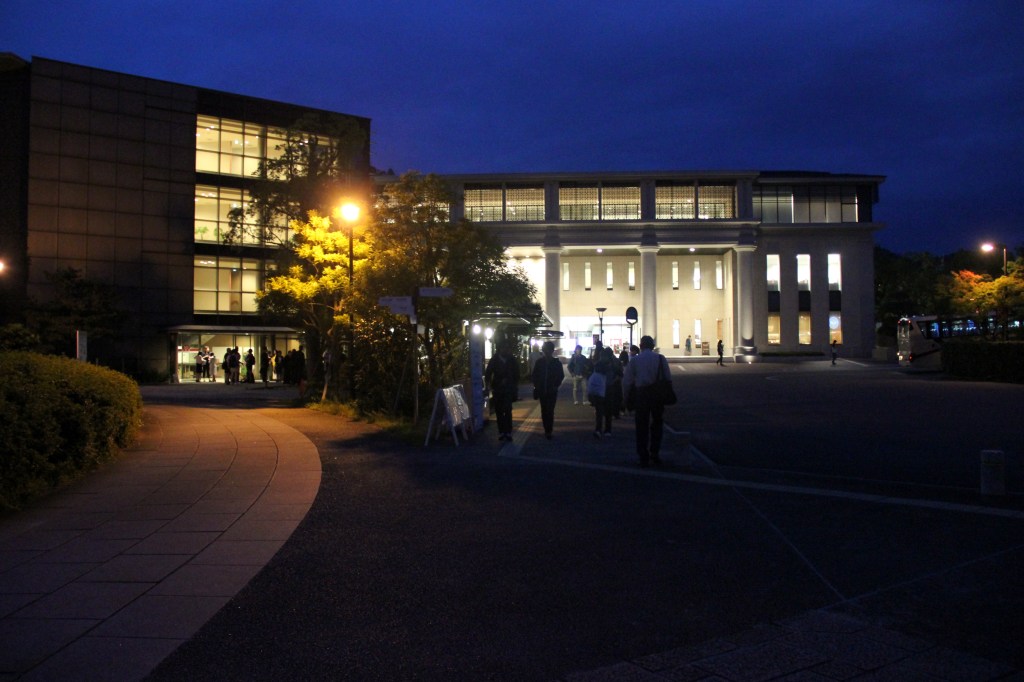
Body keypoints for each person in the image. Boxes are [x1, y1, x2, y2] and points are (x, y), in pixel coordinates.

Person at [622, 335, 671, 468]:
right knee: (657, 423)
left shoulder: (635, 360)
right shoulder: (660, 358)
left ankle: (643, 455)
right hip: (657, 394)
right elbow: (667, 377)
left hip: (641, 394)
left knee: (641, 426)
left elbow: (627, 382)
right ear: (653, 346)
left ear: (641, 346)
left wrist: (625, 399)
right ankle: (655, 452)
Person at [485, 340, 520, 442]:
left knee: (508, 410)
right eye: (504, 348)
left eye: (507, 348)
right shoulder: (494, 360)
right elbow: (488, 373)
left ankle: (508, 432)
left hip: (509, 388)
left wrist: (513, 384)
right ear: (499, 349)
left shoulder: (512, 359)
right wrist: (488, 385)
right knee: (499, 411)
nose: (506, 350)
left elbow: (517, 374)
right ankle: (501, 431)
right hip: (498, 389)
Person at [531, 340, 565, 440]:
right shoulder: (540, 362)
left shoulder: (556, 363)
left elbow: (561, 376)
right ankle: (547, 429)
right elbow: (534, 375)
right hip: (542, 390)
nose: (547, 352)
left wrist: (556, 385)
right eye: (545, 350)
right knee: (544, 410)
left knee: (549, 410)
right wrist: (537, 385)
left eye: (548, 350)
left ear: (552, 350)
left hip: (551, 390)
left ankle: (548, 430)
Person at [590, 346, 619, 437]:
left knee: (603, 410)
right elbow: (619, 374)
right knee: (603, 410)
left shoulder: (600, 364)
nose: (602, 358)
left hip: (603, 388)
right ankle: (605, 430)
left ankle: (601, 429)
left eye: (603, 356)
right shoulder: (612, 364)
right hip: (607, 388)